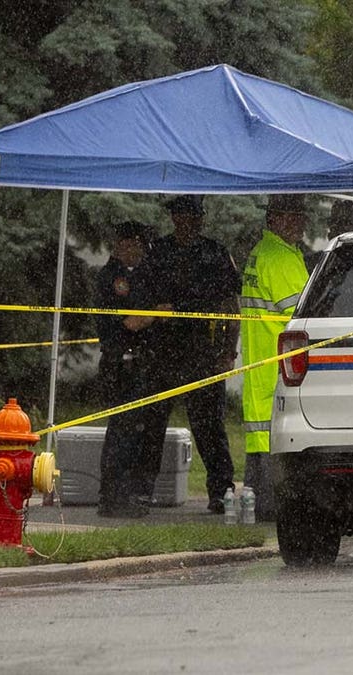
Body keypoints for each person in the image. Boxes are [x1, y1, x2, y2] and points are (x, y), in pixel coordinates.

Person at [136, 194, 241, 513]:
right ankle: (141, 491)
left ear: (200, 219)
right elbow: (145, 303)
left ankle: (220, 491)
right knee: (151, 422)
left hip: (203, 351)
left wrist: (228, 352)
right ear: (173, 219)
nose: (185, 222)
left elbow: (230, 308)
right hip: (163, 351)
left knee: (209, 426)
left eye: (191, 216)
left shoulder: (214, 253)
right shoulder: (158, 253)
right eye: (180, 216)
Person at [241, 194, 311, 521]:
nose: (300, 223)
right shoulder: (280, 259)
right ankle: (270, 510)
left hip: (262, 362)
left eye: (301, 216)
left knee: (261, 442)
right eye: (292, 217)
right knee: (274, 443)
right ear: (275, 219)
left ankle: (259, 506)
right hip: (280, 365)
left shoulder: (262, 252)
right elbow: (305, 314)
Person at [94, 221, 161, 518]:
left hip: (141, 362)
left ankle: (134, 494)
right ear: (121, 245)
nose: (137, 251)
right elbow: (128, 323)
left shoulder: (144, 276)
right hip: (119, 363)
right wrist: (155, 315)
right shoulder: (110, 278)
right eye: (132, 244)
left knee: (139, 432)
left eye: (141, 245)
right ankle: (111, 496)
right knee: (121, 431)